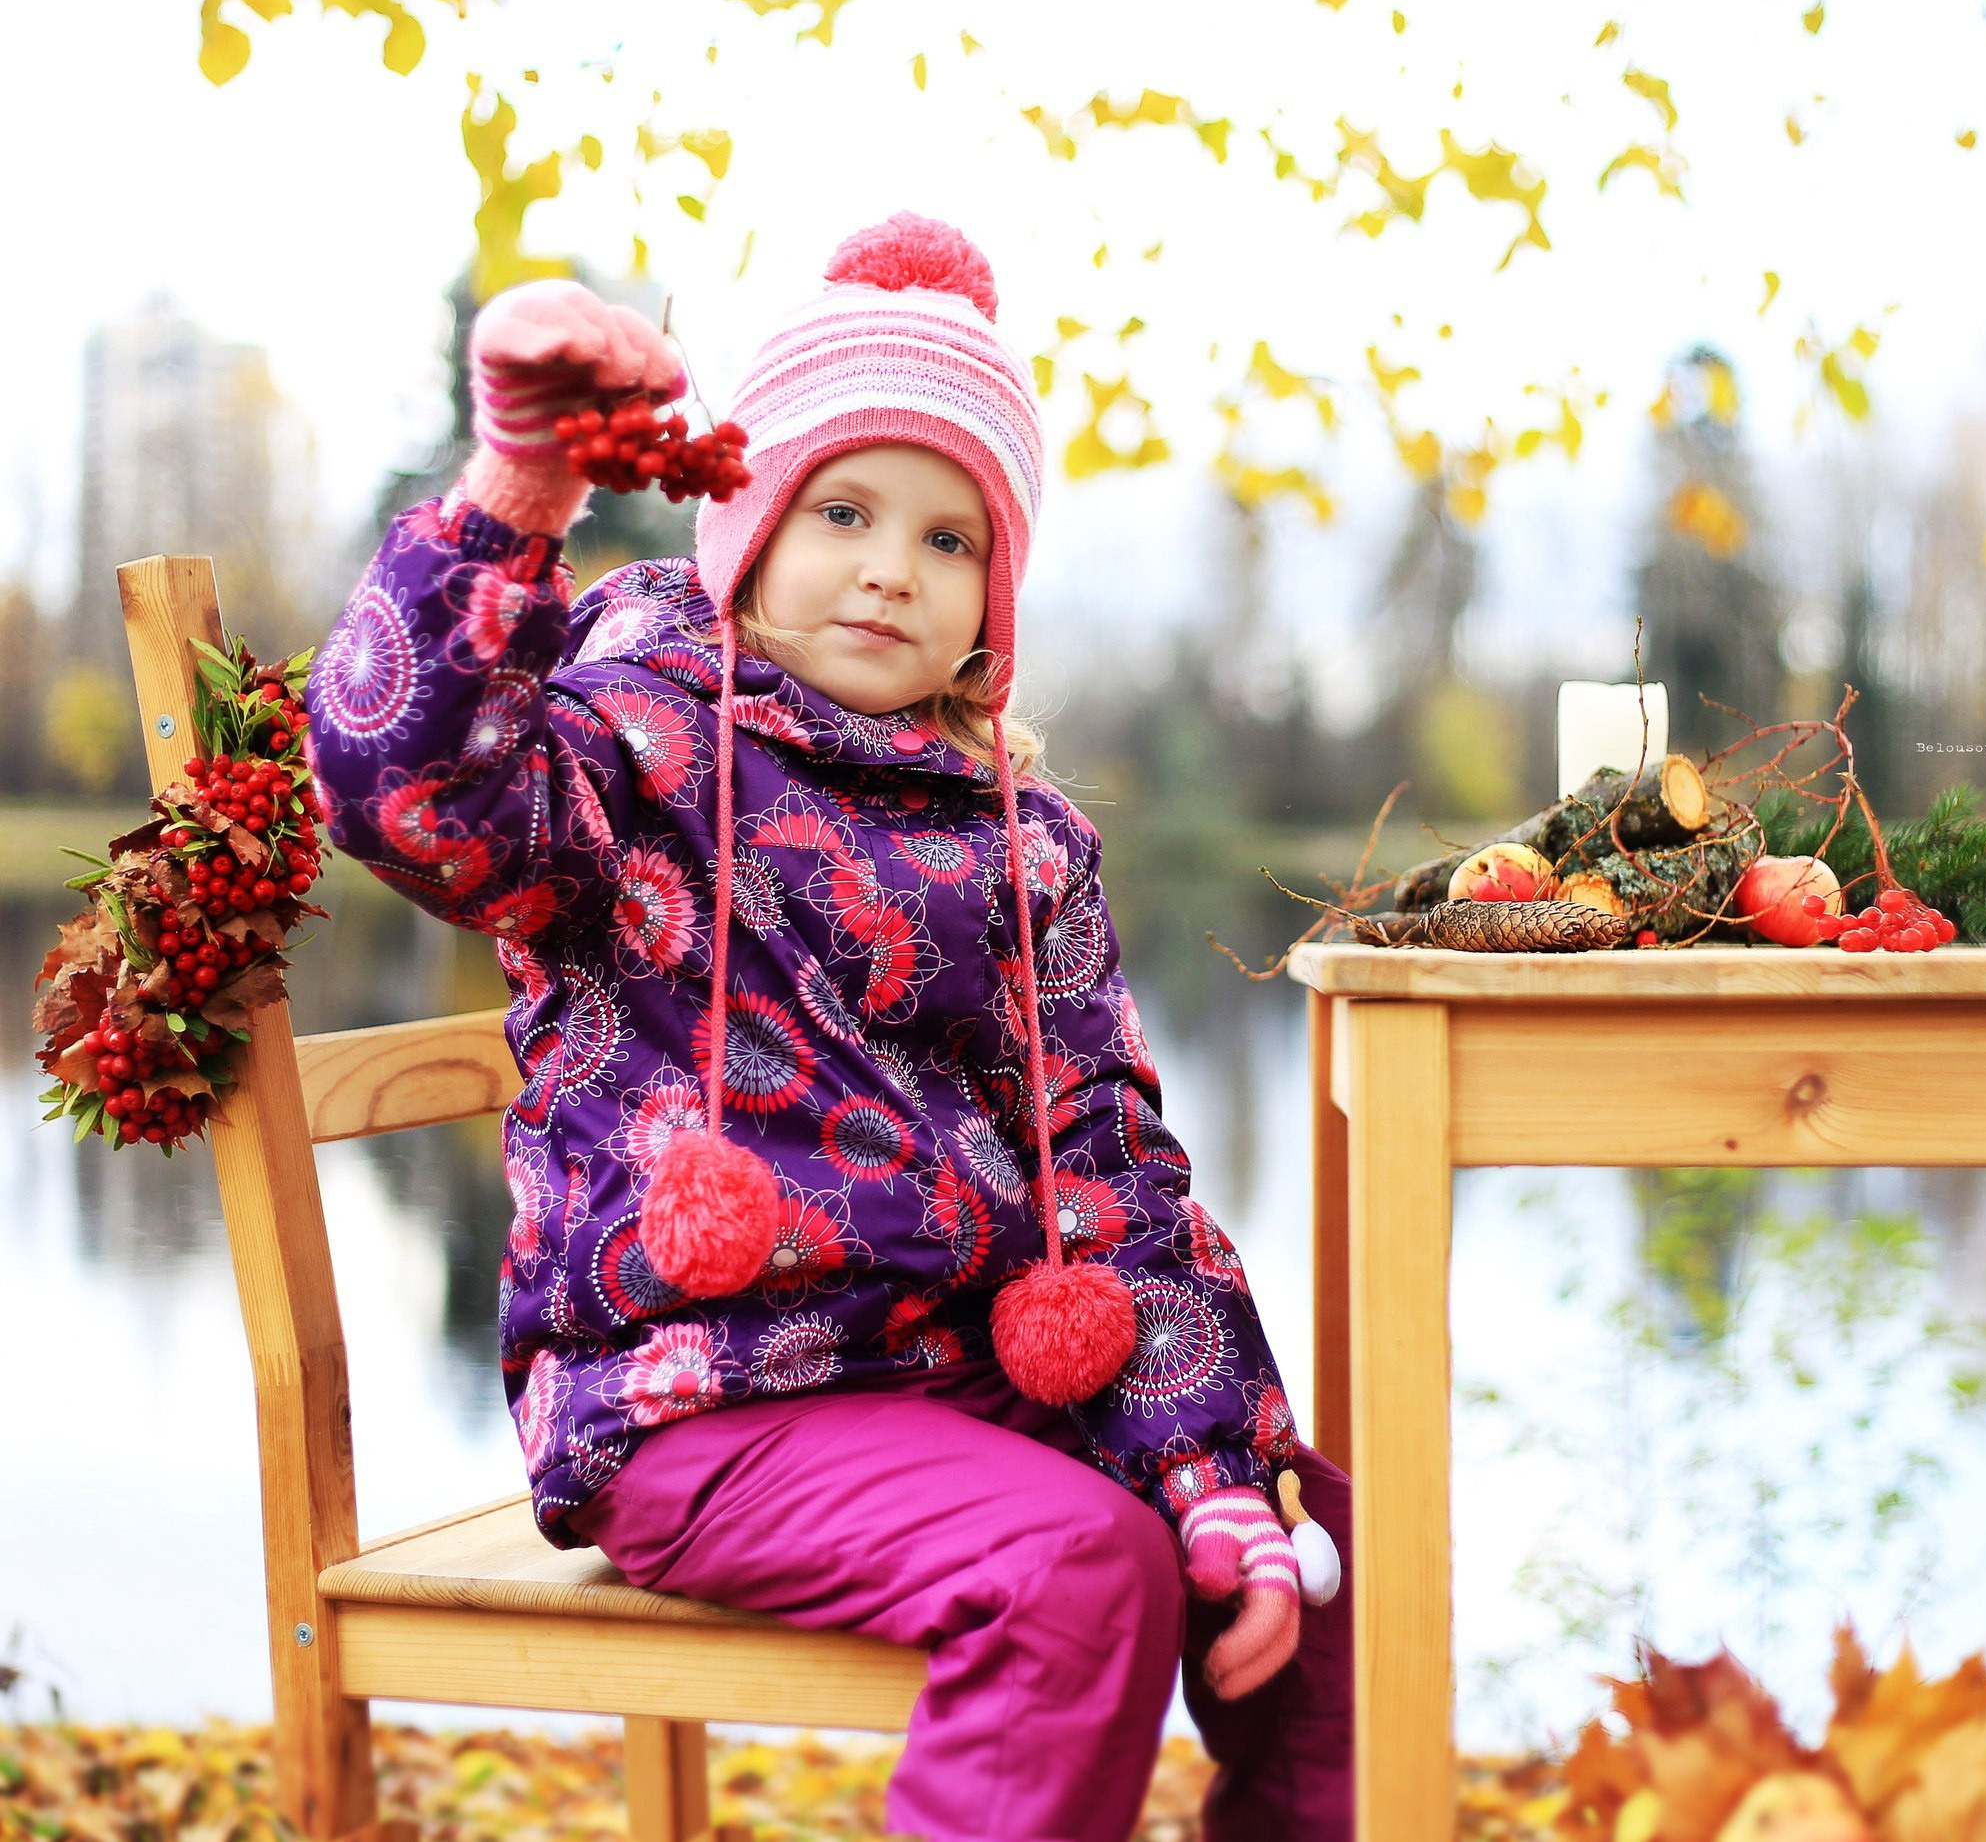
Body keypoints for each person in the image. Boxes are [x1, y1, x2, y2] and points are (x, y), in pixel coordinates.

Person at [305, 214, 1349, 1842]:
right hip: (704, 1396)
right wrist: (516, 493)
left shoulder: (1023, 839)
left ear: (994, 593)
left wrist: (1209, 1463)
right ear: (749, 525)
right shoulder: (629, 755)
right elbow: (411, 791)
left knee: (1299, 1528)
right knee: (1075, 1572)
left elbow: (1106, 1153)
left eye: (949, 541)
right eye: (844, 510)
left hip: (957, 1376)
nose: (889, 567)